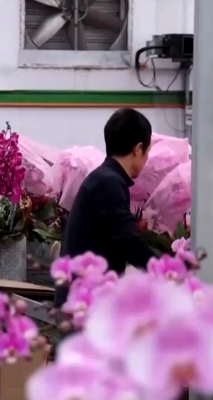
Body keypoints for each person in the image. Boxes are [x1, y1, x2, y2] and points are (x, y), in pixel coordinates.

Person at [55, 108, 157, 308]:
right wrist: (166, 270)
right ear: (138, 149)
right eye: (147, 152)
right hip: (83, 302)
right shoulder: (108, 182)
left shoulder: (104, 178)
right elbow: (126, 239)